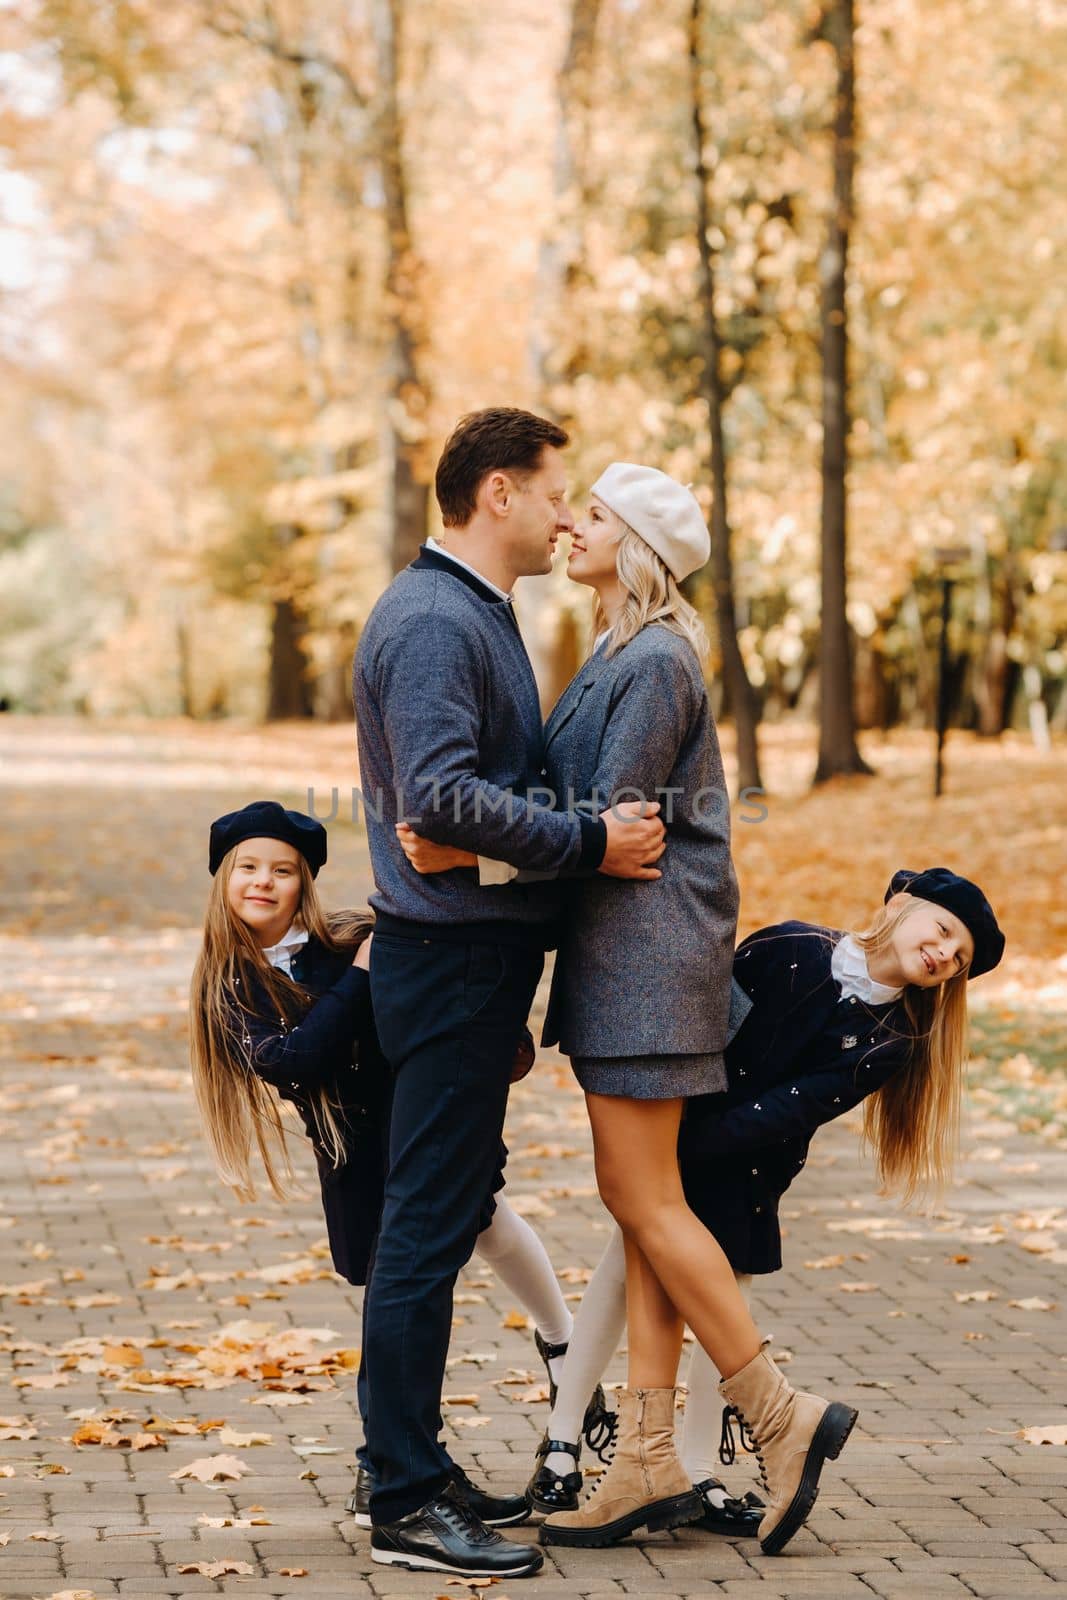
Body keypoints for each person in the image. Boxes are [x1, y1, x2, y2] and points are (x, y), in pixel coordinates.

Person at [395, 463, 860, 1558]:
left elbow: (609, 832)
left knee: (643, 1196)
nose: (570, 524)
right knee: (644, 1203)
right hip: (627, 962)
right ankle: (648, 1453)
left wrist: (474, 855)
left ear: (638, 543)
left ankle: (781, 1419)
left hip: (650, 963)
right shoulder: (614, 648)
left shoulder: (651, 661)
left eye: (593, 515)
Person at [351, 411, 666, 1579]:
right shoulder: (437, 618)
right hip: (448, 969)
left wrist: (517, 855)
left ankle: (410, 1465)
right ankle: (401, 1498)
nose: (562, 514)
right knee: (424, 1231)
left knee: (443, 1208)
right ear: (497, 493)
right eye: (552, 493)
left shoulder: (468, 610)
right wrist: (586, 842)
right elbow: (434, 797)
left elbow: (458, 806)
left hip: (468, 963)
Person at [520, 868, 1004, 1534]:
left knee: (718, 1307)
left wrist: (683, 1150)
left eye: (959, 960)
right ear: (897, 903)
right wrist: (661, 1133)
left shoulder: (888, 1041)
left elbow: (786, 1110)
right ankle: (562, 1441)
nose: (945, 954)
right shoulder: (788, 948)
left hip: (747, 1167)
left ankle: (692, 1469)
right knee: (618, 1277)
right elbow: (700, 1024)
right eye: (944, 931)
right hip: (677, 1123)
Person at [187, 800, 613, 1546]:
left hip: (421, 1118)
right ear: (223, 880)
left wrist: (490, 1039)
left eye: (282, 871)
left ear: (304, 885)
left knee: (479, 1223)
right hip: (356, 1156)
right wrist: (358, 979)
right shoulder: (230, 987)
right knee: (399, 1295)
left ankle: (550, 1353)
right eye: (248, 868)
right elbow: (294, 1058)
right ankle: (387, 1466)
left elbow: (442, 992)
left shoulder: (355, 935)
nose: (263, 881)